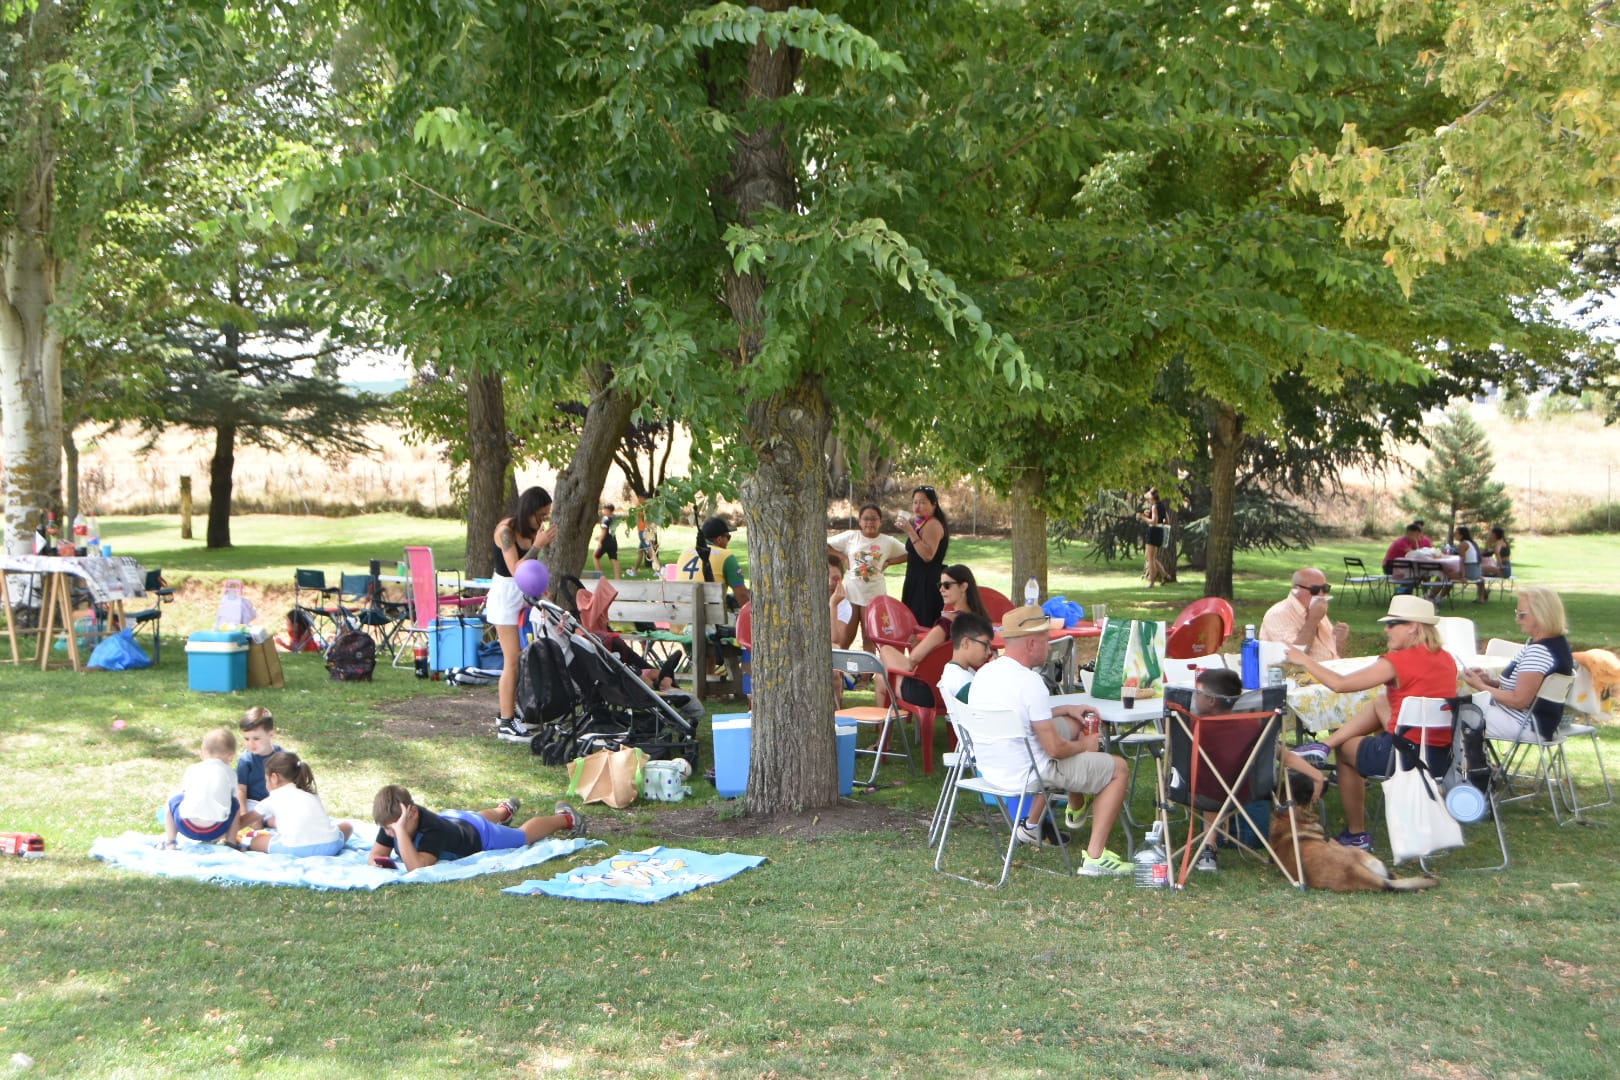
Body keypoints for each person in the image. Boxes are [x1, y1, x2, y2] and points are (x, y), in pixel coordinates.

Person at [968, 606, 1132, 877]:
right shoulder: (1030, 682)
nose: (1050, 645)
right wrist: (1086, 747)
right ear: (1031, 643)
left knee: (1074, 723)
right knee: (1118, 769)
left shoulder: (987, 673)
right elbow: (1054, 749)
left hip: (993, 768)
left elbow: (1020, 713)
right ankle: (1095, 857)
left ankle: (1043, 822)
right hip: (1030, 773)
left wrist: (1064, 708)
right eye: (1046, 639)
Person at [1290, 595, 1458, 852]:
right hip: (1439, 756)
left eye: (1393, 624)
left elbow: (1340, 685)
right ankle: (1323, 745)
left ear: (1413, 626)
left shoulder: (1397, 662)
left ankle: (1357, 833)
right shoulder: (1446, 658)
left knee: (1345, 749)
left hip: (1404, 757)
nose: (1386, 629)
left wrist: (1305, 661)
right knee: (1381, 701)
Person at [1187, 668, 1326, 873]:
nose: (1194, 697)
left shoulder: (1190, 725)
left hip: (1197, 790)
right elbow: (1283, 755)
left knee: (1211, 779)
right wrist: (1316, 775)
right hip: (1245, 791)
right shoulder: (1251, 727)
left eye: (1198, 693)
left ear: (1211, 701)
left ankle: (1209, 846)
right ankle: (1211, 844)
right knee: (1218, 777)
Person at [368, 786, 587, 871]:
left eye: (395, 828)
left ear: (412, 813)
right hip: (456, 820)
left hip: (478, 835)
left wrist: (399, 833)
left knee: (522, 836)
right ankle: (503, 811)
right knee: (476, 817)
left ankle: (566, 819)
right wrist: (379, 863)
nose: (391, 833)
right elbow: (376, 855)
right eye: (388, 829)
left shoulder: (431, 830)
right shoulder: (392, 821)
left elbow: (416, 867)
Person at [1462, 586, 1574, 741]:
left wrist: (1481, 686)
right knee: (1458, 708)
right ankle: (1475, 762)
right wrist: (1491, 683)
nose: (1517, 620)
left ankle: (1468, 763)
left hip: (1524, 723)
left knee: (1447, 713)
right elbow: (1526, 690)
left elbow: (1519, 700)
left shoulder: (1540, 652)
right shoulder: (1555, 644)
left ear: (1541, 615)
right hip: (1536, 723)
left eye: (1522, 615)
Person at [491, 486, 557, 743]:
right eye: (540, 515)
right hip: (505, 596)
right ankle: (506, 722)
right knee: (513, 659)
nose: (542, 521)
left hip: (522, 594)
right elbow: (516, 568)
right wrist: (538, 545)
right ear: (528, 510)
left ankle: (509, 712)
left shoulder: (530, 530)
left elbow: (531, 571)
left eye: (546, 516)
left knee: (521, 657)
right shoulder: (505, 531)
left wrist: (542, 591)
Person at [879, 563, 991, 676]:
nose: (941, 589)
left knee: (885, 651)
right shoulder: (982, 621)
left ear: (963, 586)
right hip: (966, 677)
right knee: (881, 678)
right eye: (940, 585)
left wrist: (917, 648)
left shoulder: (947, 623)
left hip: (931, 682)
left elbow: (914, 659)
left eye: (947, 585)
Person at [827, 503, 907, 649]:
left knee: (869, 637)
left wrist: (890, 562)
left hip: (873, 595)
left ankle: (867, 671)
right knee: (845, 637)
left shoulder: (888, 541)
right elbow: (826, 545)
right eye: (866, 519)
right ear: (860, 521)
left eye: (874, 519)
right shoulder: (851, 536)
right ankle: (839, 670)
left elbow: (909, 554)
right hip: (851, 593)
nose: (869, 522)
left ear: (880, 521)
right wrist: (842, 556)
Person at [243, 752, 353, 857]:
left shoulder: (273, 798)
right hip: (330, 847)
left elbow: (244, 821)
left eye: (266, 780)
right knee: (347, 826)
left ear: (274, 778)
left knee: (255, 841)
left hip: (296, 849)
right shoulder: (310, 792)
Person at [158, 727, 240, 849]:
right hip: (216, 830)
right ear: (230, 756)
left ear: (201, 754)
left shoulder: (192, 769)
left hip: (186, 826)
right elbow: (233, 800)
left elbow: (185, 792)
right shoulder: (230, 774)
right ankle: (231, 842)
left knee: (173, 797)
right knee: (235, 805)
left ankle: (170, 841)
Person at [1259, 568, 1349, 661]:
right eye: (1315, 589)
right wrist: (1313, 620)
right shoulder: (1278, 614)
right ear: (1296, 589)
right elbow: (1295, 655)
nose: (1321, 594)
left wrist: (1338, 641)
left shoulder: (1314, 608)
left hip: (1328, 671)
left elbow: (1332, 655)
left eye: (1325, 588)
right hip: (1299, 674)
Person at [898, 485, 950, 627]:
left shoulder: (933, 524)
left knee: (922, 626)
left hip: (926, 584)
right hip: (914, 580)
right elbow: (913, 554)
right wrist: (890, 561)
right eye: (915, 502)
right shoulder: (922, 523)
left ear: (934, 504)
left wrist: (910, 531)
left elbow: (927, 555)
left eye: (922, 502)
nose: (917, 506)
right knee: (911, 625)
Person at [675, 515, 750, 610]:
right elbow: (742, 596)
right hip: (708, 620)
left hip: (680, 617)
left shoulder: (685, 553)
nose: (728, 541)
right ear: (719, 539)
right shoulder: (726, 556)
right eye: (728, 537)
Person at [235, 706, 284, 829]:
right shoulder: (245, 760)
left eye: (256, 738)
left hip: (276, 801)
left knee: (280, 822)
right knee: (255, 823)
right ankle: (260, 827)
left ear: (271, 734)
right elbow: (241, 790)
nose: (250, 744)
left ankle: (267, 822)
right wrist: (244, 813)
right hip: (253, 803)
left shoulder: (283, 757)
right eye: (246, 739)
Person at [938, 611, 995, 702]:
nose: (989, 652)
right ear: (966, 643)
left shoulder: (955, 671)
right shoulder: (963, 683)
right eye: (985, 645)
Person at [1137, 486, 1171, 587]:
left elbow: (1154, 522)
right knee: (1152, 557)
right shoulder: (1162, 506)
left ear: (1152, 497)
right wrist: (1150, 516)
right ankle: (1165, 575)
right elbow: (1167, 521)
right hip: (1159, 531)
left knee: (1150, 559)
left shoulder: (1155, 506)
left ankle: (1151, 582)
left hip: (1153, 531)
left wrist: (1143, 517)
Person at [1452, 525, 1484, 598]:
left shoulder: (1463, 544)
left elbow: (1462, 562)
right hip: (1478, 572)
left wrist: (1463, 576)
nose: (1455, 535)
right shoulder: (1473, 543)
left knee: (1446, 576)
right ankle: (1482, 598)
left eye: (1456, 533)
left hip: (1470, 572)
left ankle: (1437, 596)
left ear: (1461, 535)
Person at [593, 503, 621, 578]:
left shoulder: (605, 519)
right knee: (614, 559)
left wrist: (599, 540)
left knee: (596, 556)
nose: (602, 511)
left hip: (605, 541)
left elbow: (604, 531)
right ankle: (618, 577)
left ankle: (600, 576)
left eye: (604, 509)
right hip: (613, 540)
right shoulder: (614, 519)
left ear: (608, 510)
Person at [632, 504, 660, 577]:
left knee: (650, 550)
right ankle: (634, 570)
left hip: (643, 531)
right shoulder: (645, 506)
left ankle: (658, 570)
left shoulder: (643, 506)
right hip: (645, 530)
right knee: (640, 551)